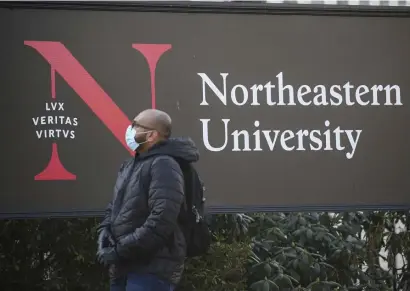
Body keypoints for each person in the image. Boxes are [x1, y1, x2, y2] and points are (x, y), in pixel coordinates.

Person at [96, 108, 200, 291]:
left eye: (135, 125)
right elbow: (114, 208)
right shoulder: (131, 165)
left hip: (152, 270)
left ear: (151, 135)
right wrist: (104, 233)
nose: (130, 129)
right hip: (123, 267)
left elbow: (161, 219)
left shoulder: (165, 165)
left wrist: (121, 250)